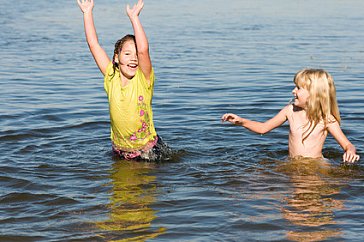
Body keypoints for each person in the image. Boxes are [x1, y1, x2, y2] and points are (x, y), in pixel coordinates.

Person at [77, 0, 170, 161]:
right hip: (120, 151)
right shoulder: (111, 77)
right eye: (127, 54)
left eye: (135, 56)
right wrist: (87, 13)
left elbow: (143, 50)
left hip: (148, 152)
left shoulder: (143, 79)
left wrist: (134, 18)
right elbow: (93, 44)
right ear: (116, 58)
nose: (133, 59)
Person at [221, 69, 360, 163]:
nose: (293, 91)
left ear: (314, 94)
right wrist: (241, 121)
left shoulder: (326, 119)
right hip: (292, 164)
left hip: (315, 166)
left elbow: (348, 145)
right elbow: (263, 128)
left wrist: (350, 152)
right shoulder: (290, 111)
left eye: (298, 88)